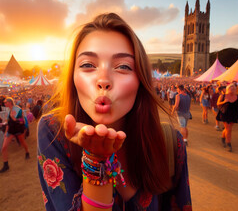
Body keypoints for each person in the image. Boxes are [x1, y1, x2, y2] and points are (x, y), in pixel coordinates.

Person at [37, 13, 191, 210]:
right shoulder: (53, 131)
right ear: (72, 77)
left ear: (141, 81)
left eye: (123, 67)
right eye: (87, 65)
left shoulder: (171, 143)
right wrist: (96, 160)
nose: (103, 80)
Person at [0, 97, 30, 173]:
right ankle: (6, 165)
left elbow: (22, 121)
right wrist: (6, 130)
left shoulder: (17, 109)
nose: (4, 103)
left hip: (18, 129)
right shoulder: (7, 110)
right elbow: (8, 122)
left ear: (10, 102)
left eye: (6, 102)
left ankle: (27, 152)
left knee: (22, 142)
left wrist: (15, 119)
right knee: (4, 147)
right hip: (10, 130)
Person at [216, 83, 238, 152]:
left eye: (233, 88)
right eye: (230, 88)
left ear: (235, 89)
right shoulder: (223, 96)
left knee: (228, 129)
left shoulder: (237, 96)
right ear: (228, 89)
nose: (232, 89)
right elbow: (218, 103)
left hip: (234, 114)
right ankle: (228, 143)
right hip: (225, 114)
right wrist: (224, 101)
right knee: (228, 129)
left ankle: (223, 137)